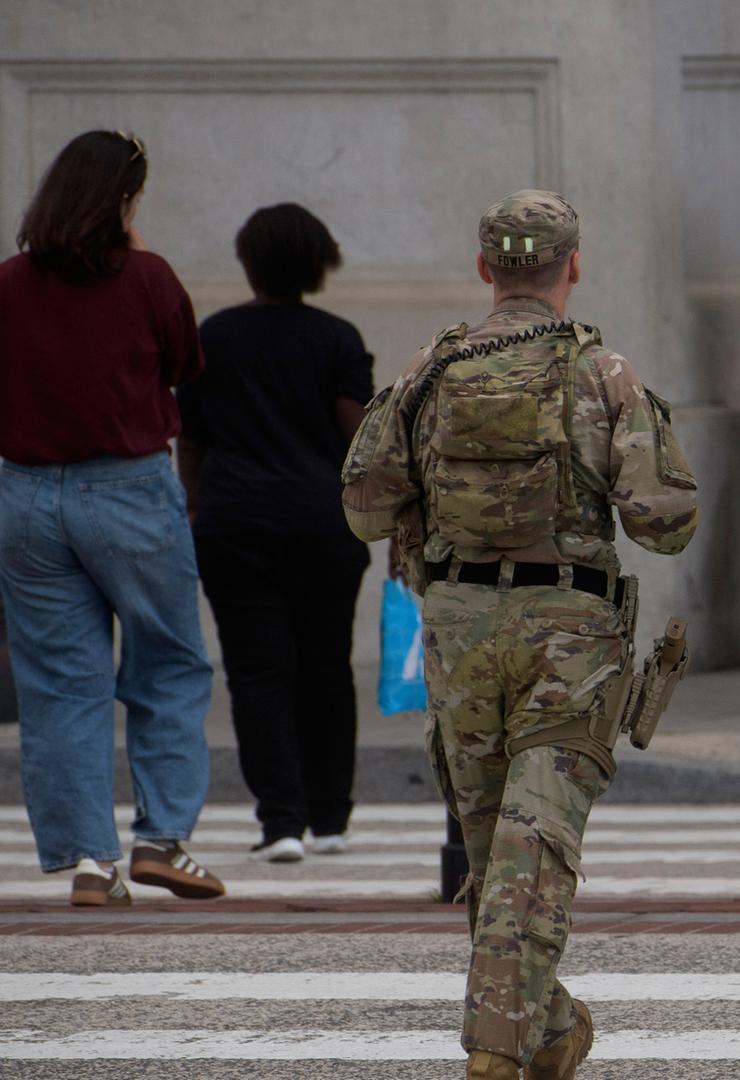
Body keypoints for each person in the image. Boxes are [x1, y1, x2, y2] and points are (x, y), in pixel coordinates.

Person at [341, 190, 698, 1079]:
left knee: (494, 840)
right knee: (534, 848)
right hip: (567, 639)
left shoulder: (427, 371)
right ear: (572, 266)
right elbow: (664, 520)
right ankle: (496, 1056)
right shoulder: (601, 374)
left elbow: (362, 508)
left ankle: (543, 1033)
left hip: (459, 633)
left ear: (485, 270)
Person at [0, 129, 224, 907]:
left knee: (62, 682)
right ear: (125, 200)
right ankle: (162, 839)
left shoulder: (9, 284)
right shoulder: (149, 278)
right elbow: (181, 369)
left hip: (25, 495)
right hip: (128, 487)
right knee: (167, 661)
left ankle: (91, 862)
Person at [177, 203, 375, 863]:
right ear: (320, 263)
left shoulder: (218, 336)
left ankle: (281, 822)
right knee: (326, 667)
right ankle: (332, 818)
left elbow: (194, 438)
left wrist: (197, 507)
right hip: (323, 523)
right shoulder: (337, 338)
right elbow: (359, 434)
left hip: (236, 524)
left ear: (249, 263)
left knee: (258, 671)